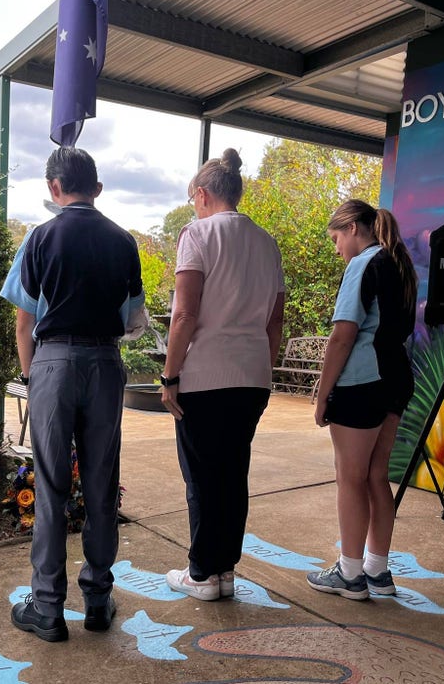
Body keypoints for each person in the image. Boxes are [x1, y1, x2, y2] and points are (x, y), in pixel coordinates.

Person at [0, 147, 145, 641]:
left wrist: (31, 376)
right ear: (98, 189)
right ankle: (99, 602)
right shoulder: (123, 242)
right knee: (102, 485)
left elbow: (23, 322)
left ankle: (47, 608)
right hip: (105, 363)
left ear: (53, 189)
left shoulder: (39, 237)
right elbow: (132, 322)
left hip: (53, 363)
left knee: (51, 485)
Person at [160, 148, 285, 601]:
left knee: (201, 475)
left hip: (204, 376)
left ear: (202, 194)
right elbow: (275, 322)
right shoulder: (266, 241)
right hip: (251, 376)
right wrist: (262, 368)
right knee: (233, 473)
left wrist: (170, 376)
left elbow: (184, 315)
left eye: (193, 197)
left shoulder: (197, 234)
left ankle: (201, 574)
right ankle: (225, 571)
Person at [307, 199, 417, 600]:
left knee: (350, 477)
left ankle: (350, 574)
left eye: (336, 237)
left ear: (353, 227)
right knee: (375, 475)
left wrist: (322, 395)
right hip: (395, 379)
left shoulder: (364, 263)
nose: (337, 248)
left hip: (361, 383)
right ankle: (377, 571)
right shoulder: (399, 263)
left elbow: (342, 335)